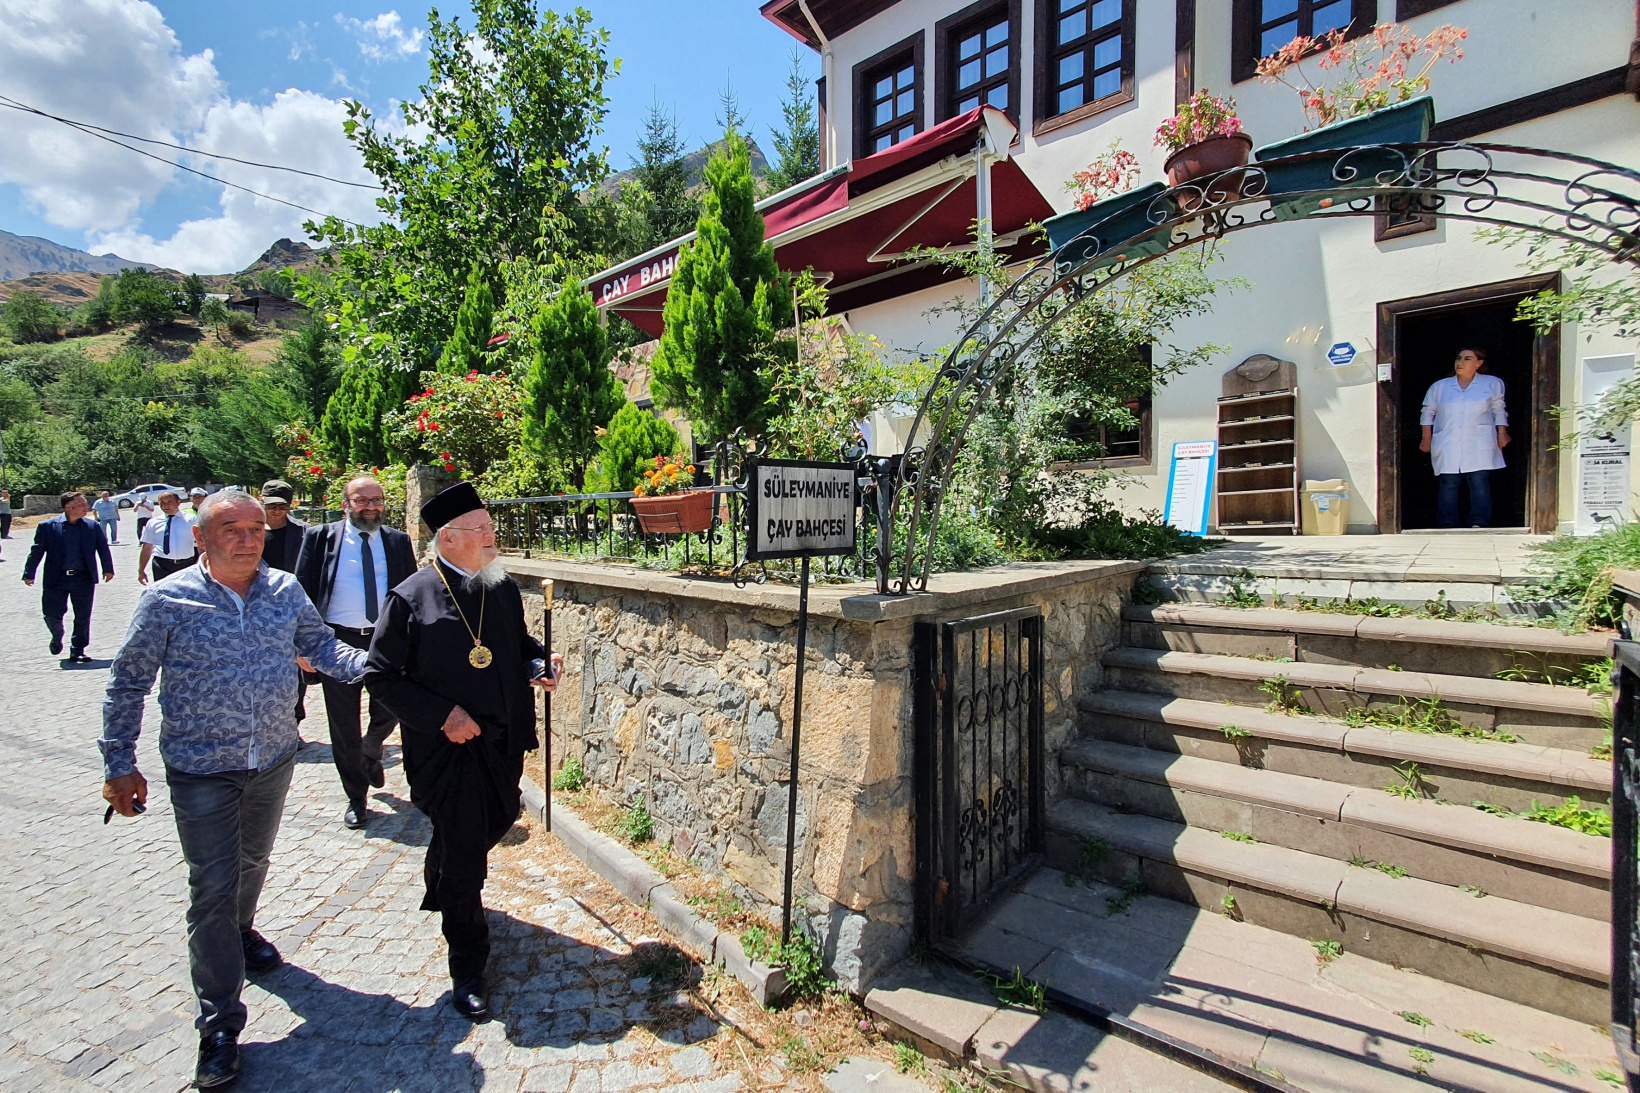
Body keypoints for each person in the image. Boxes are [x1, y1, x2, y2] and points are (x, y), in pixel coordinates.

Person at [100, 489, 368, 1090]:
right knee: (213, 886)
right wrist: (119, 761)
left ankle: (244, 934)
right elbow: (128, 683)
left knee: (252, 861)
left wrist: (386, 666)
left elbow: (322, 649)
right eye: (230, 529)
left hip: (273, 758)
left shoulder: (284, 591)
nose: (247, 539)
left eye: (254, 529)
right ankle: (219, 1024)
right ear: (200, 537)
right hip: (201, 767)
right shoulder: (167, 600)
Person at [364, 482, 560, 1021]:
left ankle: (445, 863)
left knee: (495, 821)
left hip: (502, 742)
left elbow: (518, 645)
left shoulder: (499, 586)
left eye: (491, 528)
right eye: (483, 530)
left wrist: (538, 665)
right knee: (467, 856)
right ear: (449, 538)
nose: (493, 537)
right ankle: (468, 965)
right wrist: (442, 716)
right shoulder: (411, 597)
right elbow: (380, 676)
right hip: (447, 750)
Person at [295, 476, 415, 828]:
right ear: (346, 503)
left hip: (384, 639)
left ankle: (373, 746)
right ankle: (356, 797)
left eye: (376, 500)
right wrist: (302, 645)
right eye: (362, 501)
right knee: (343, 723)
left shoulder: (398, 541)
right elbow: (301, 593)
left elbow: (411, 593)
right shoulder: (320, 538)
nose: (371, 507)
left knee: (392, 706)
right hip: (336, 641)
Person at [1419, 347, 1510, 529]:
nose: (1460, 362)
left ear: (1479, 363)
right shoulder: (1440, 387)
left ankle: (1479, 521)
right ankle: (1447, 522)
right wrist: (1426, 438)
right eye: (1458, 358)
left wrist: (1502, 433)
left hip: (1479, 440)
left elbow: (1498, 410)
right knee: (1448, 483)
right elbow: (1428, 412)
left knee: (1479, 481)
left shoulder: (1492, 384)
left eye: (1467, 359)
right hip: (1448, 440)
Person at [22, 491, 115, 661]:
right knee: (51, 613)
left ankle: (78, 649)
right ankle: (57, 634)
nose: (86, 507)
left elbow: (102, 548)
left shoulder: (92, 527)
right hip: (56, 578)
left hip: (83, 578)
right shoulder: (48, 527)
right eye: (81, 504)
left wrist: (108, 569)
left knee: (82, 615)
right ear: (68, 507)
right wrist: (29, 572)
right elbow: (37, 551)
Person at [139, 491, 199, 583]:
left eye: (169, 502)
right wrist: (141, 570)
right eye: (162, 503)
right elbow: (147, 547)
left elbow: (202, 543)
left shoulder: (191, 520)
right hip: (161, 565)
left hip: (186, 564)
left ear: (178, 502)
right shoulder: (153, 523)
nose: (165, 505)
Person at [259, 479, 306, 574]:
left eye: (283, 506)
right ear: (262, 501)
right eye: (271, 506)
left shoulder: (303, 531)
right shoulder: (250, 528)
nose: (277, 510)